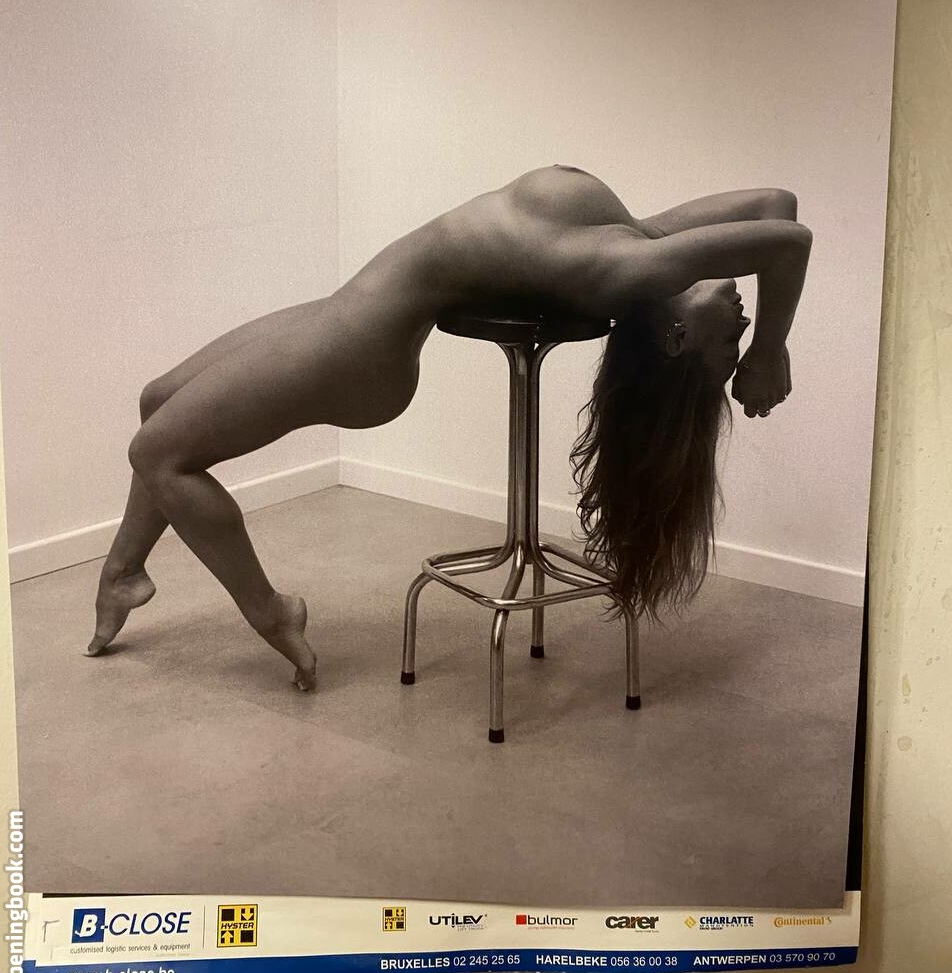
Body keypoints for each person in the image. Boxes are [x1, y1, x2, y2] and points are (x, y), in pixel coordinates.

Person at [86, 164, 811, 688]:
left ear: (678, 341)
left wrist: (769, 351)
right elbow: (777, 206)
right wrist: (765, 352)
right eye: (742, 336)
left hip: (361, 349)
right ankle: (124, 573)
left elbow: (787, 242)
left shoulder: (623, 267)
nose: (744, 321)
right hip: (349, 311)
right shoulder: (641, 241)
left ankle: (273, 612)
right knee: (159, 399)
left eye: (730, 343)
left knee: (160, 454)